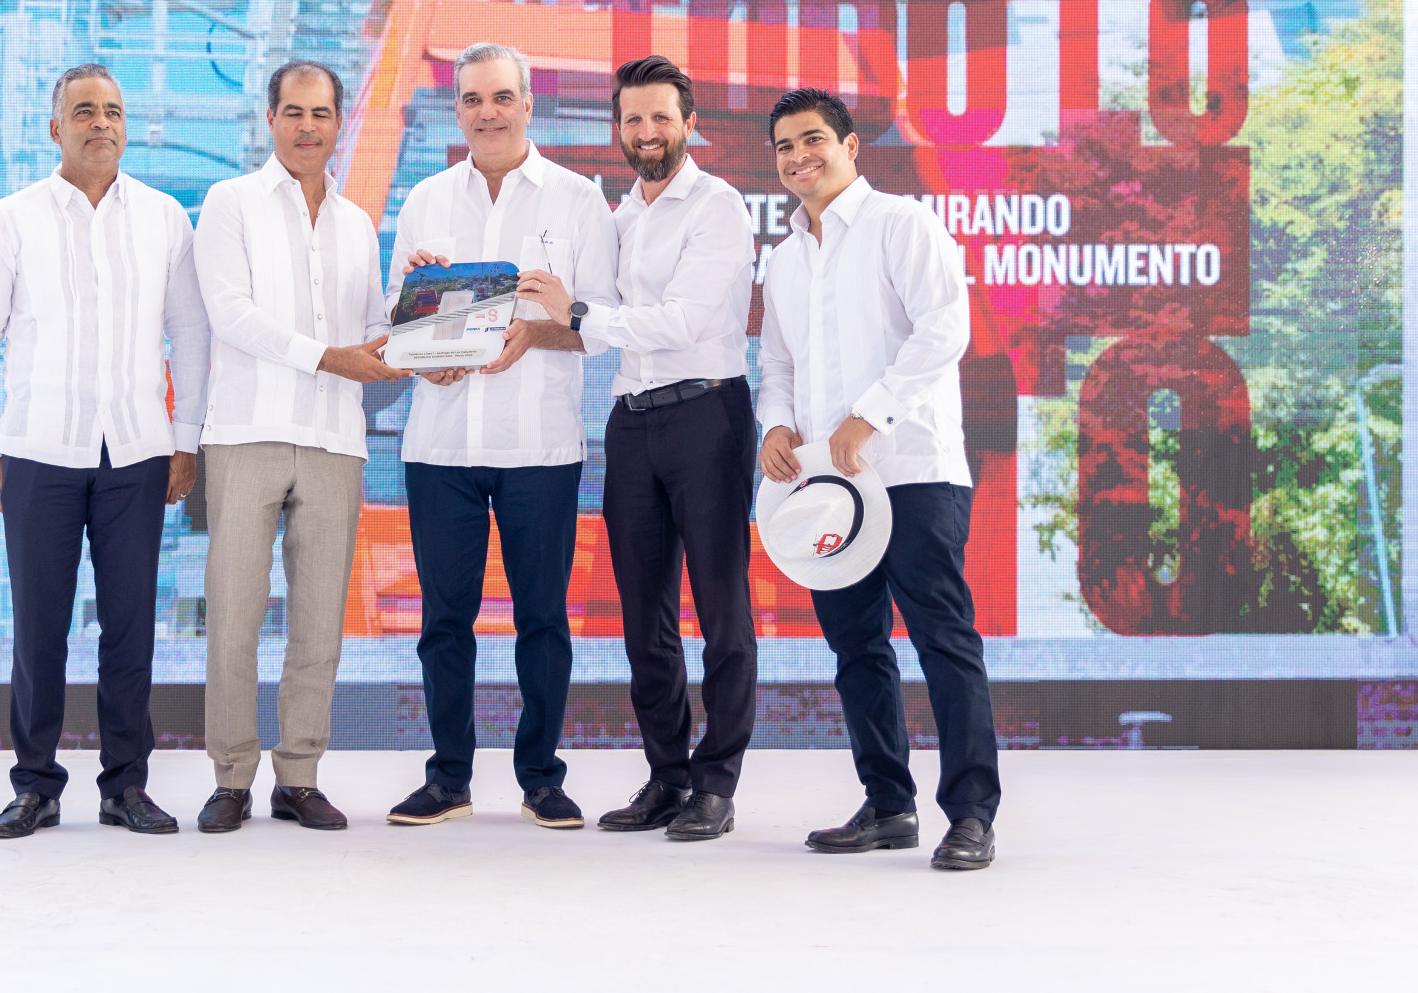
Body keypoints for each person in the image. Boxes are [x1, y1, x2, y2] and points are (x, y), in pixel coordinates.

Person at [0, 62, 208, 840]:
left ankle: (125, 786)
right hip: (37, 451)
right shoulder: (12, 219)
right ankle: (35, 786)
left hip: (137, 450)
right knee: (40, 629)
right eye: (86, 111)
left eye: (114, 111)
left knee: (131, 628)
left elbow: (191, 333)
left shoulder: (165, 217)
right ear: (55, 128)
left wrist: (186, 439)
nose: (102, 123)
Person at [756, 88, 1000, 871]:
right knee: (856, 647)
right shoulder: (784, 259)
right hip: (829, 488)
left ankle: (971, 815)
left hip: (913, 469)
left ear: (851, 145)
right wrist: (776, 426)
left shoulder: (903, 223)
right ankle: (888, 805)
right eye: (785, 146)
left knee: (942, 640)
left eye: (814, 139)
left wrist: (870, 416)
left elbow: (945, 328)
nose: (800, 156)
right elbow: (777, 363)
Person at [517, 55, 757, 842]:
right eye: (632, 119)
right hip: (632, 422)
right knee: (642, 613)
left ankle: (716, 785)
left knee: (721, 609)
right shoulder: (616, 219)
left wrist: (576, 310)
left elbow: (680, 322)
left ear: (690, 124)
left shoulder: (718, 207)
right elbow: (587, 328)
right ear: (617, 129)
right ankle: (667, 774)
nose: (646, 131)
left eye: (660, 117)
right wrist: (479, 309)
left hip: (708, 415)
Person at [382, 42, 618, 829]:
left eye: (502, 97)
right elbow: (392, 320)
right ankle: (448, 778)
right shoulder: (425, 201)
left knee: (541, 620)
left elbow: (601, 327)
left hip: (539, 447)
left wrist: (536, 330)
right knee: (444, 623)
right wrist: (420, 334)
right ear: (457, 110)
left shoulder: (578, 201)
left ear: (528, 104)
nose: (488, 113)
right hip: (440, 444)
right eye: (473, 99)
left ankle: (542, 779)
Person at [189, 60, 403, 834]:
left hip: (334, 440)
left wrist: (420, 318)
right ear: (270, 119)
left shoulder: (358, 224)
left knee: (318, 623)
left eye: (321, 114)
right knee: (234, 617)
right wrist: (331, 358)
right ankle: (231, 778)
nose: (308, 126)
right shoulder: (231, 202)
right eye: (294, 112)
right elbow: (230, 315)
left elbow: (371, 326)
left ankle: (300, 777)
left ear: (339, 122)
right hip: (247, 434)